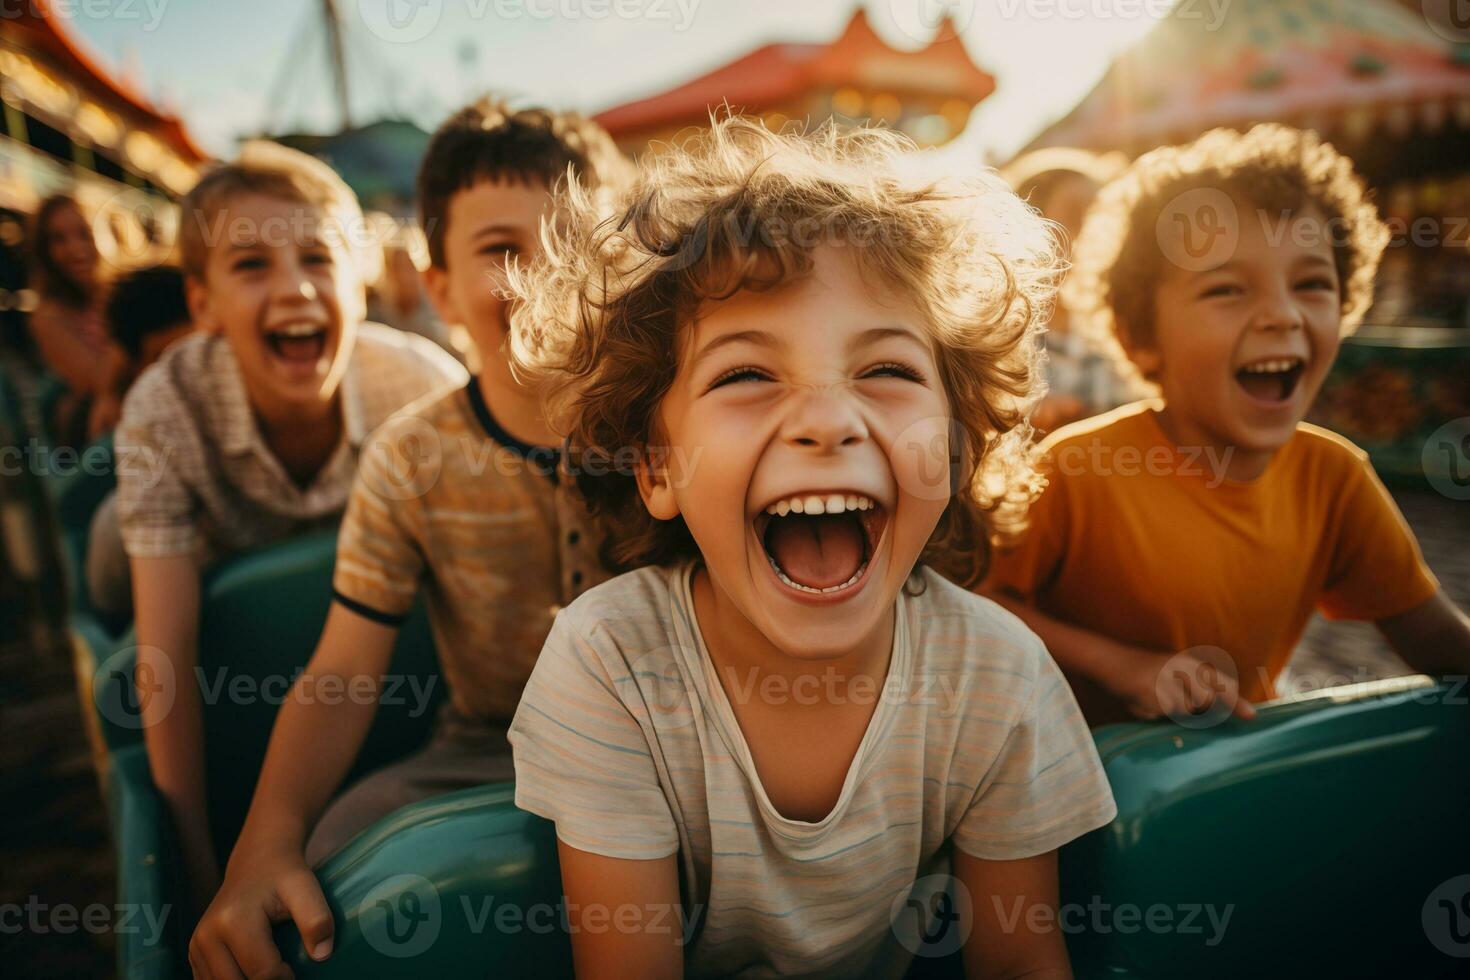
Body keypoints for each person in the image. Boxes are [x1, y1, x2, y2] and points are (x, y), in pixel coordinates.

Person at [504, 117, 1115, 979]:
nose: (829, 421)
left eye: (887, 371)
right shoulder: (612, 666)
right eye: (747, 375)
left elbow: (1019, 964)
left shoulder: (998, 677)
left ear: (954, 445)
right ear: (657, 465)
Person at [188, 101, 631, 979]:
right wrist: (265, 840)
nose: (544, 275)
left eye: (574, 243)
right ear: (438, 290)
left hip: (671, 742)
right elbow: (344, 671)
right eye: (504, 250)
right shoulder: (413, 456)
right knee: (331, 864)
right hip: (483, 750)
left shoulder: (673, 425)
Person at [984, 124, 1470, 726]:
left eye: (1312, 283)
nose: (1282, 314)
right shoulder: (1078, 468)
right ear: (1140, 339)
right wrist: (1122, 665)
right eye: (1227, 290)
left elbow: (1441, 643)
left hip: (1234, 791)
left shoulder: (1335, 478)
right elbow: (975, 607)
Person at [114, 142, 466, 915]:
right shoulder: (164, 406)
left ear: (360, 280)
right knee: (115, 560)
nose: (296, 288)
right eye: (250, 266)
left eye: (317, 256)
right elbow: (167, 657)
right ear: (201, 304)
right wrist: (200, 870)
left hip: (346, 598)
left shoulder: (422, 384)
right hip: (203, 549)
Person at [83, 264, 195, 616]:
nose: (191, 371)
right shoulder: (119, 521)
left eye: (201, 350)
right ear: (134, 367)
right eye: (166, 360)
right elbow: (109, 600)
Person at [26, 194, 127, 442]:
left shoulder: (110, 293)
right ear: (44, 252)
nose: (76, 248)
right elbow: (97, 383)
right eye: (59, 239)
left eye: (83, 234)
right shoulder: (46, 318)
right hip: (92, 437)